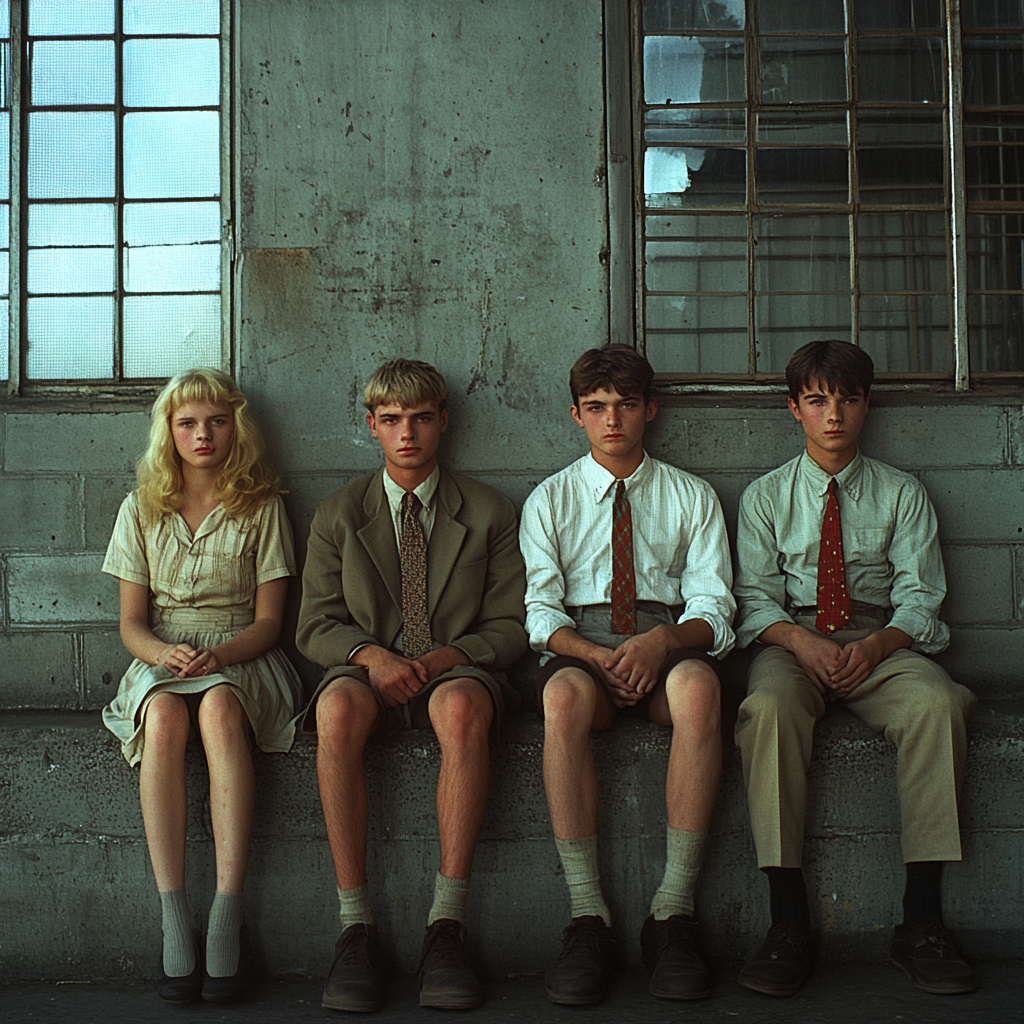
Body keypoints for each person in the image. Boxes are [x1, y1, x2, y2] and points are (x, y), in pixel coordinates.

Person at [733, 339, 977, 997]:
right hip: (793, 641)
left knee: (940, 704)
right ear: (794, 409)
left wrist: (873, 649)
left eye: (846, 399)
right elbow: (753, 599)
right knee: (768, 712)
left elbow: (922, 596)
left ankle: (921, 921)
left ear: (866, 405)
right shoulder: (765, 498)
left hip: (882, 642)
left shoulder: (902, 492)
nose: (832, 413)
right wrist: (803, 644)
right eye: (817, 400)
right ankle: (788, 923)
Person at [297, 358, 528, 1013]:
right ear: (372, 426)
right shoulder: (339, 513)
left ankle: (446, 927)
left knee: (459, 710)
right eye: (392, 420)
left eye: (422, 418)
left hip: (456, 670)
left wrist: (444, 658)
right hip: (367, 673)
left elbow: (512, 624)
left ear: (443, 422)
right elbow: (313, 625)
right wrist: (371, 656)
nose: (408, 434)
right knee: (335, 710)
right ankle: (356, 928)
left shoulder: (487, 510)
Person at [519, 345, 736, 1005]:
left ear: (650, 410)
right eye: (596, 408)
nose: (612, 419)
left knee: (701, 690)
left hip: (664, 644)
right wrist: (592, 656)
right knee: (559, 698)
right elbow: (539, 610)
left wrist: (658, 643)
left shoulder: (690, 494)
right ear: (576, 415)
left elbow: (716, 608)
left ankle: (672, 914)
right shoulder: (550, 499)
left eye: (625, 405)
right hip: (584, 651)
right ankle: (589, 917)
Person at [102, 368, 303, 1005]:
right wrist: (165, 654)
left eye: (216, 420)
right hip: (166, 653)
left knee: (218, 710)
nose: (203, 434)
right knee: (162, 719)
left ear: (235, 426)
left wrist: (217, 654)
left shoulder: (262, 503)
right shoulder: (141, 506)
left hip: (239, 653)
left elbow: (270, 623)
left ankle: (224, 910)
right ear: (169, 431)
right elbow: (131, 623)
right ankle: (172, 915)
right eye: (187, 423)